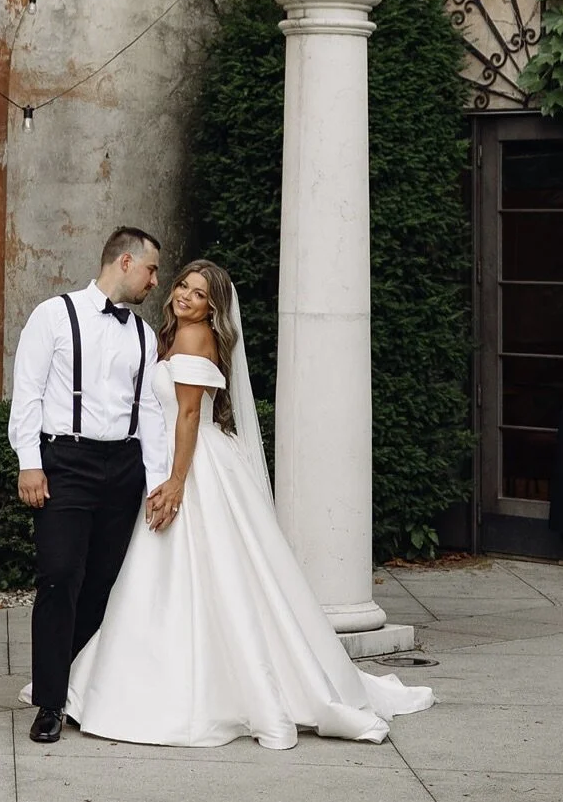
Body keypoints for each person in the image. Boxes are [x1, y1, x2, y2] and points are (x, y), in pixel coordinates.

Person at [60, 259, 436, 749]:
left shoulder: (192, 337)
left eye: (199, 294)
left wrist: (176, 482)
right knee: (204, 574)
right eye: (183, 286)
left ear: (212, 307)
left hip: (192, 465)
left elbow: (189, 414)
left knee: (195, 572)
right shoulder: (175, 336)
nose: (185, 296)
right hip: (185, 458)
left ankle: (178, 692)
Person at [8, 226, 172, 745]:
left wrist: (158, 480)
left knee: (104, 582)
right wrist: (29, 463)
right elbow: (28, 393)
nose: (155, 281)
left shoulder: (144, 336)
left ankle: (77, 687)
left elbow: (150, 412)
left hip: (123, 467)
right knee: (59, 576)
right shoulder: (53, 315)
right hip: (66, 462)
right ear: (125, 262)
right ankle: (49, 703)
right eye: (151, 270)